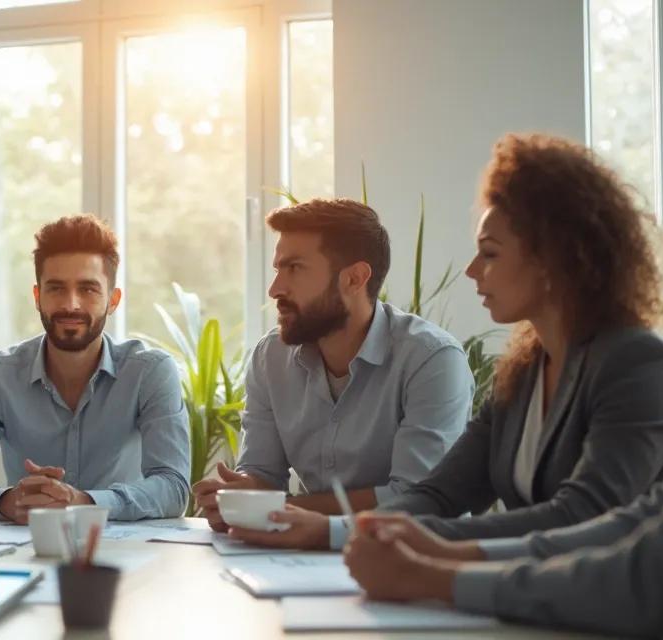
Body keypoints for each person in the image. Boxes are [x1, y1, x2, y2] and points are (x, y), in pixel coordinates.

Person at [342, 66, 663, 638]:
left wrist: (440, 574)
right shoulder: (526, 367)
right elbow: (651, 519)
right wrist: (373, 542)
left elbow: (642, 555)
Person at [228, 135, 663, 551]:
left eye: (489, 253)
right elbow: (440, 496)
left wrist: (338, 533)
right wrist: (331, 530)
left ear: (554, 259)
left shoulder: (637, 363)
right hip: (557, 603)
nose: (473, 271)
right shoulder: (527, 369)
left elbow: (582, 516)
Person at [192, 199, 472, 547]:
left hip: (409, 554)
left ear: (355, 278)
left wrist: (277, 509)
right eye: (277, 268)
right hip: (304, 558)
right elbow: (263, 473)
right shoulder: (270, 357)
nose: (275, 289)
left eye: (294, 268)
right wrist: (240, 496)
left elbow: (416, 497)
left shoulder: (431, 359)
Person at [0, 214, 191, 522]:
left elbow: (173, 488)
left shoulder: (150, 372)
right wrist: (7, 500)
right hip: (25, 546)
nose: (71, 304)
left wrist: (82, 501)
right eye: (56, 288)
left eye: (88, 289)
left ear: (113, 300)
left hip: (124, 551)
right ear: (37, 296)